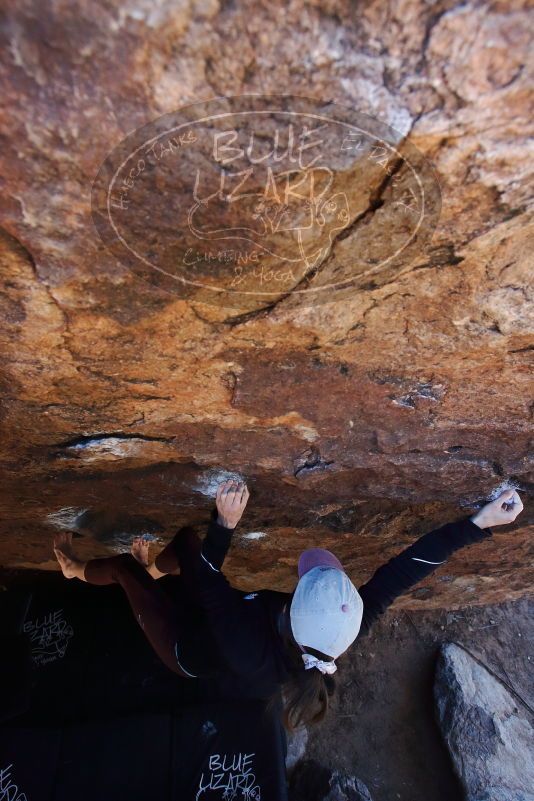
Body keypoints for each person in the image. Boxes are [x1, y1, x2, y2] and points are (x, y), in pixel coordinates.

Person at [53, 482, 524, 731]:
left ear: (294, 606)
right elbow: (408, 568)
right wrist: (481, 522)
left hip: (185, 648)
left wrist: (226, 523)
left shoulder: (246, 644)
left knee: (123, 570)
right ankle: (155, 574)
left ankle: (77, 572)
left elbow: (208, 576)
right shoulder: (343, 629)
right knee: (180, 556)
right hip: (220, 620)